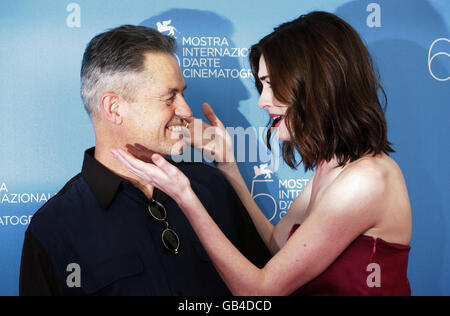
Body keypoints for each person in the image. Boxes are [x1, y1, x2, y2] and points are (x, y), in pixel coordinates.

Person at [112, 12, 413, 296]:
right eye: (262, 85)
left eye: (271, 85)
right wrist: (228, 164)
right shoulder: (332, 168)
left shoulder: (365, 180)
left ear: (318, 83)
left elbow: (259, 290)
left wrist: (185, 196)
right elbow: (275, 243)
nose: (262, 102)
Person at [19, 25, 270, 296]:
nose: (186, 110)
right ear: (114, 109)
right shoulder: (55, 226)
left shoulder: (212, 187)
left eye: (182, 93)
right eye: (169, 97)